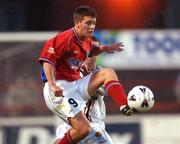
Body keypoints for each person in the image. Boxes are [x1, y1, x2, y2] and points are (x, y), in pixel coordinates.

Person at [38, 6, 133, 144]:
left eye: (94, 23)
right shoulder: (65, 39)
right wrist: (52, 84)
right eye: (88, 23)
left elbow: (92, 50)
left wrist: (104, 48)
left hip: (76, 90)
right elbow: (48, 61)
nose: (92, 26)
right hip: (61, 88)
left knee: (108, 72)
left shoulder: (86, 42)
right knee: (83, 129)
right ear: (77, 23)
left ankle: (124, 106)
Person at [53, 36, 114, 144]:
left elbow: (106, 90)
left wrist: (88, 80)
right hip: (71, 125)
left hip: (95, 127)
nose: (91, 55)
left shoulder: (102, 74)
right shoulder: (70, 74)